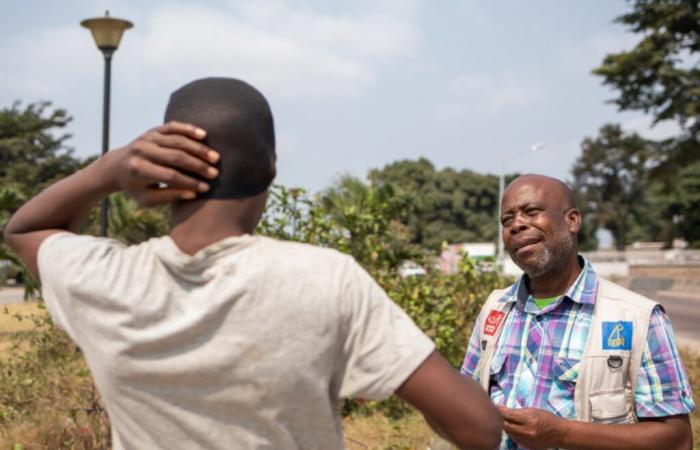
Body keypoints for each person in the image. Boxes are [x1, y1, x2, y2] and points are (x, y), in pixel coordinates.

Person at [4, 77, 502, 450]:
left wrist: (110, 169)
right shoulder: (327, 280)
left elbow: (24, 229)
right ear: (271, 169)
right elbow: (477, 429)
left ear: (159, 164)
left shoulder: (105, 281)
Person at [461, 174, 695, 450]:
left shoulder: (639, 318)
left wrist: (562, 434)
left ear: (572, 221)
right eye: (507, 220)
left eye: (531, 212)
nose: (517, 225)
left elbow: (677, 440)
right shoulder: (495, 309)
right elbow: (466, 404)